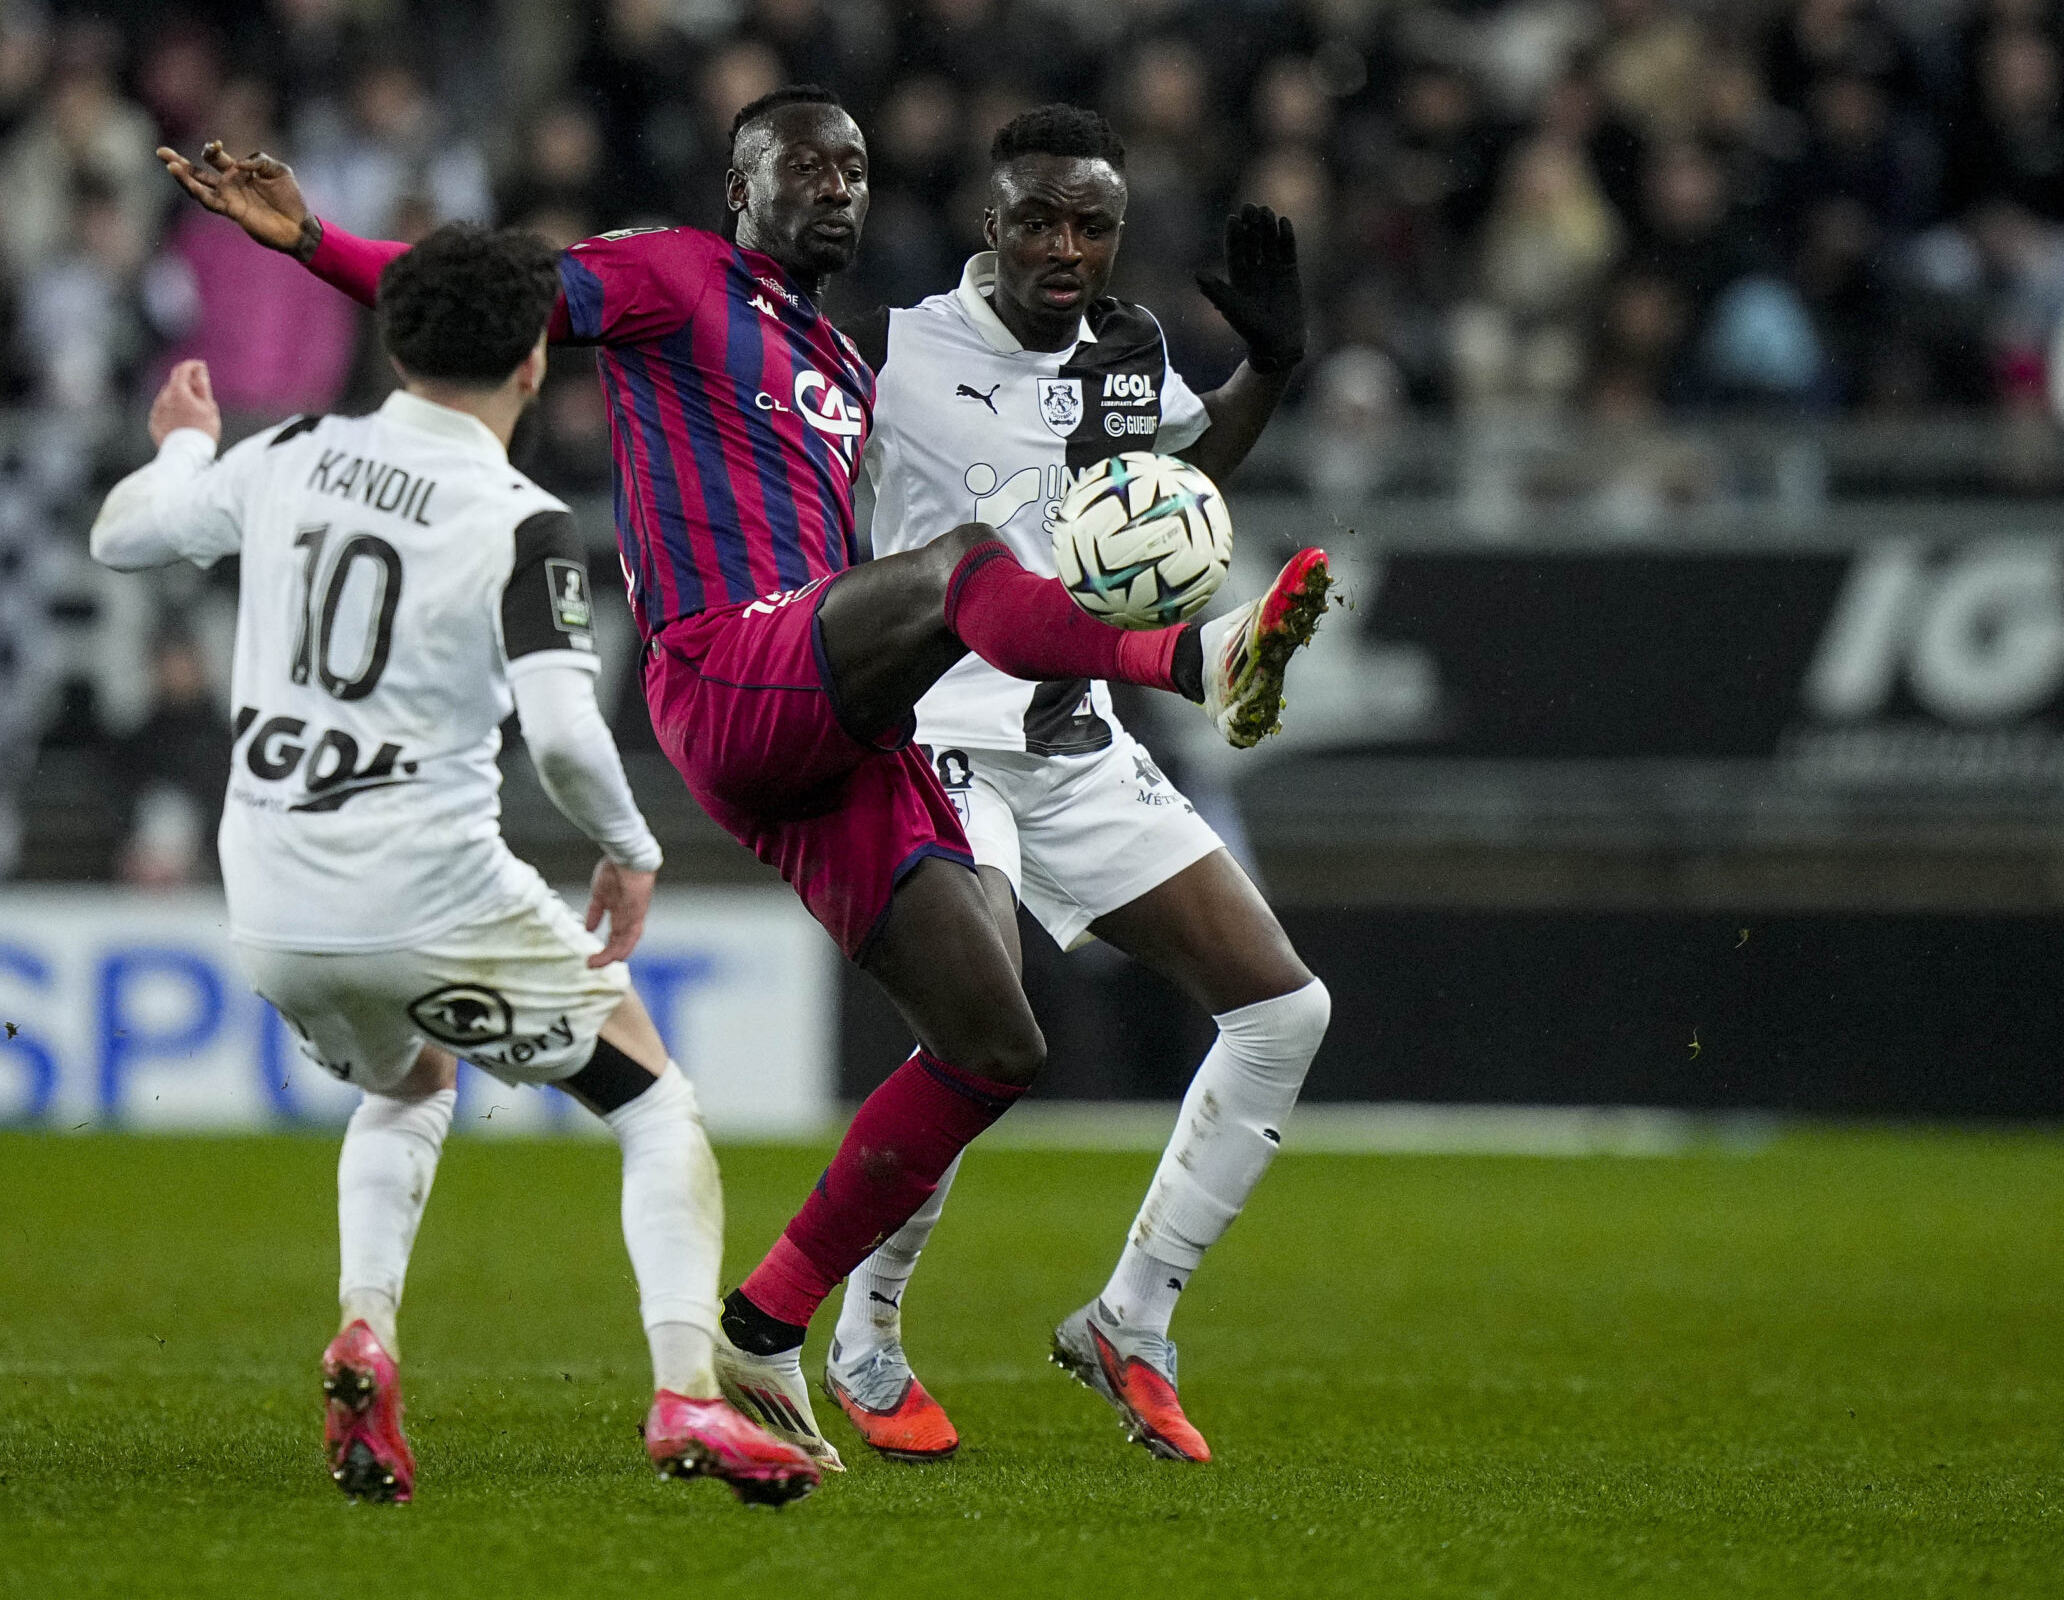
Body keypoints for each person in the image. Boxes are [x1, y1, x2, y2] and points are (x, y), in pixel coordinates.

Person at [155, 85, 1330, 1470]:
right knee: (958, 567)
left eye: (853, 169)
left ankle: (769, 1324)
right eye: (805, 167)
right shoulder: (677, 275)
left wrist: (1257, 373)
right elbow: (487, 301)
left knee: (996, 1042)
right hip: (734, 669)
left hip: (843, 720)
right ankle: (1199, 662)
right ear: (739, 183)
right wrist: (312, 244)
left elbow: (1144, 477)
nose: (836, 188)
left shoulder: (839, 360)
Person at [88, 225, 819, 1509]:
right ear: (536, 360)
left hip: (271, 902)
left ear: (394, 343)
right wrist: (631, 851)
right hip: (427, 892)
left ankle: (365, 1326)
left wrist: (185, 444)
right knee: (653, 1109)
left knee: (415, 1078)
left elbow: (124, 537)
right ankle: (684, 1390)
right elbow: (562, 730)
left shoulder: (292, 454)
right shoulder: (521, 520)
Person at [825, 105, 1332, 1464]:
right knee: (974, 1044)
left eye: (1092, 226)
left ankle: (1131, 1320)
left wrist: (1271, 373)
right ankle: (865, 1337)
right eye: (1038, 220)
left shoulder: (1128, 350)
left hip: (1069, 735)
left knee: (1285, 1010)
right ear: (991, 224)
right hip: (932, 739)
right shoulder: (895, 349)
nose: (1065, 247)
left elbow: (1171, 491)